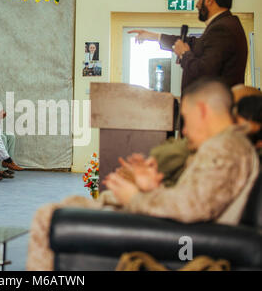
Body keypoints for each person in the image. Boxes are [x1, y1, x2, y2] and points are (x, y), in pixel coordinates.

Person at [26, 78, 259, 270]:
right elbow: (197, 200)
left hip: (184, 236)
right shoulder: (227, 145)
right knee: (69, 205)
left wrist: (135, 198)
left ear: (202, 110)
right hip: (181, 228)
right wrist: (150, 188)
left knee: (49, 216)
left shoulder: (225, 147)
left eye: (186, 119)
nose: (185, 130)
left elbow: (192, 208)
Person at [129, 0, 247, 92]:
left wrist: (184, 54)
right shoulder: (226, 25)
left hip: (215, 108)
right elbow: (192, 43)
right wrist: (152, 36)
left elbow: (204, 73)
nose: (197, 4)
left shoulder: (222, 29)